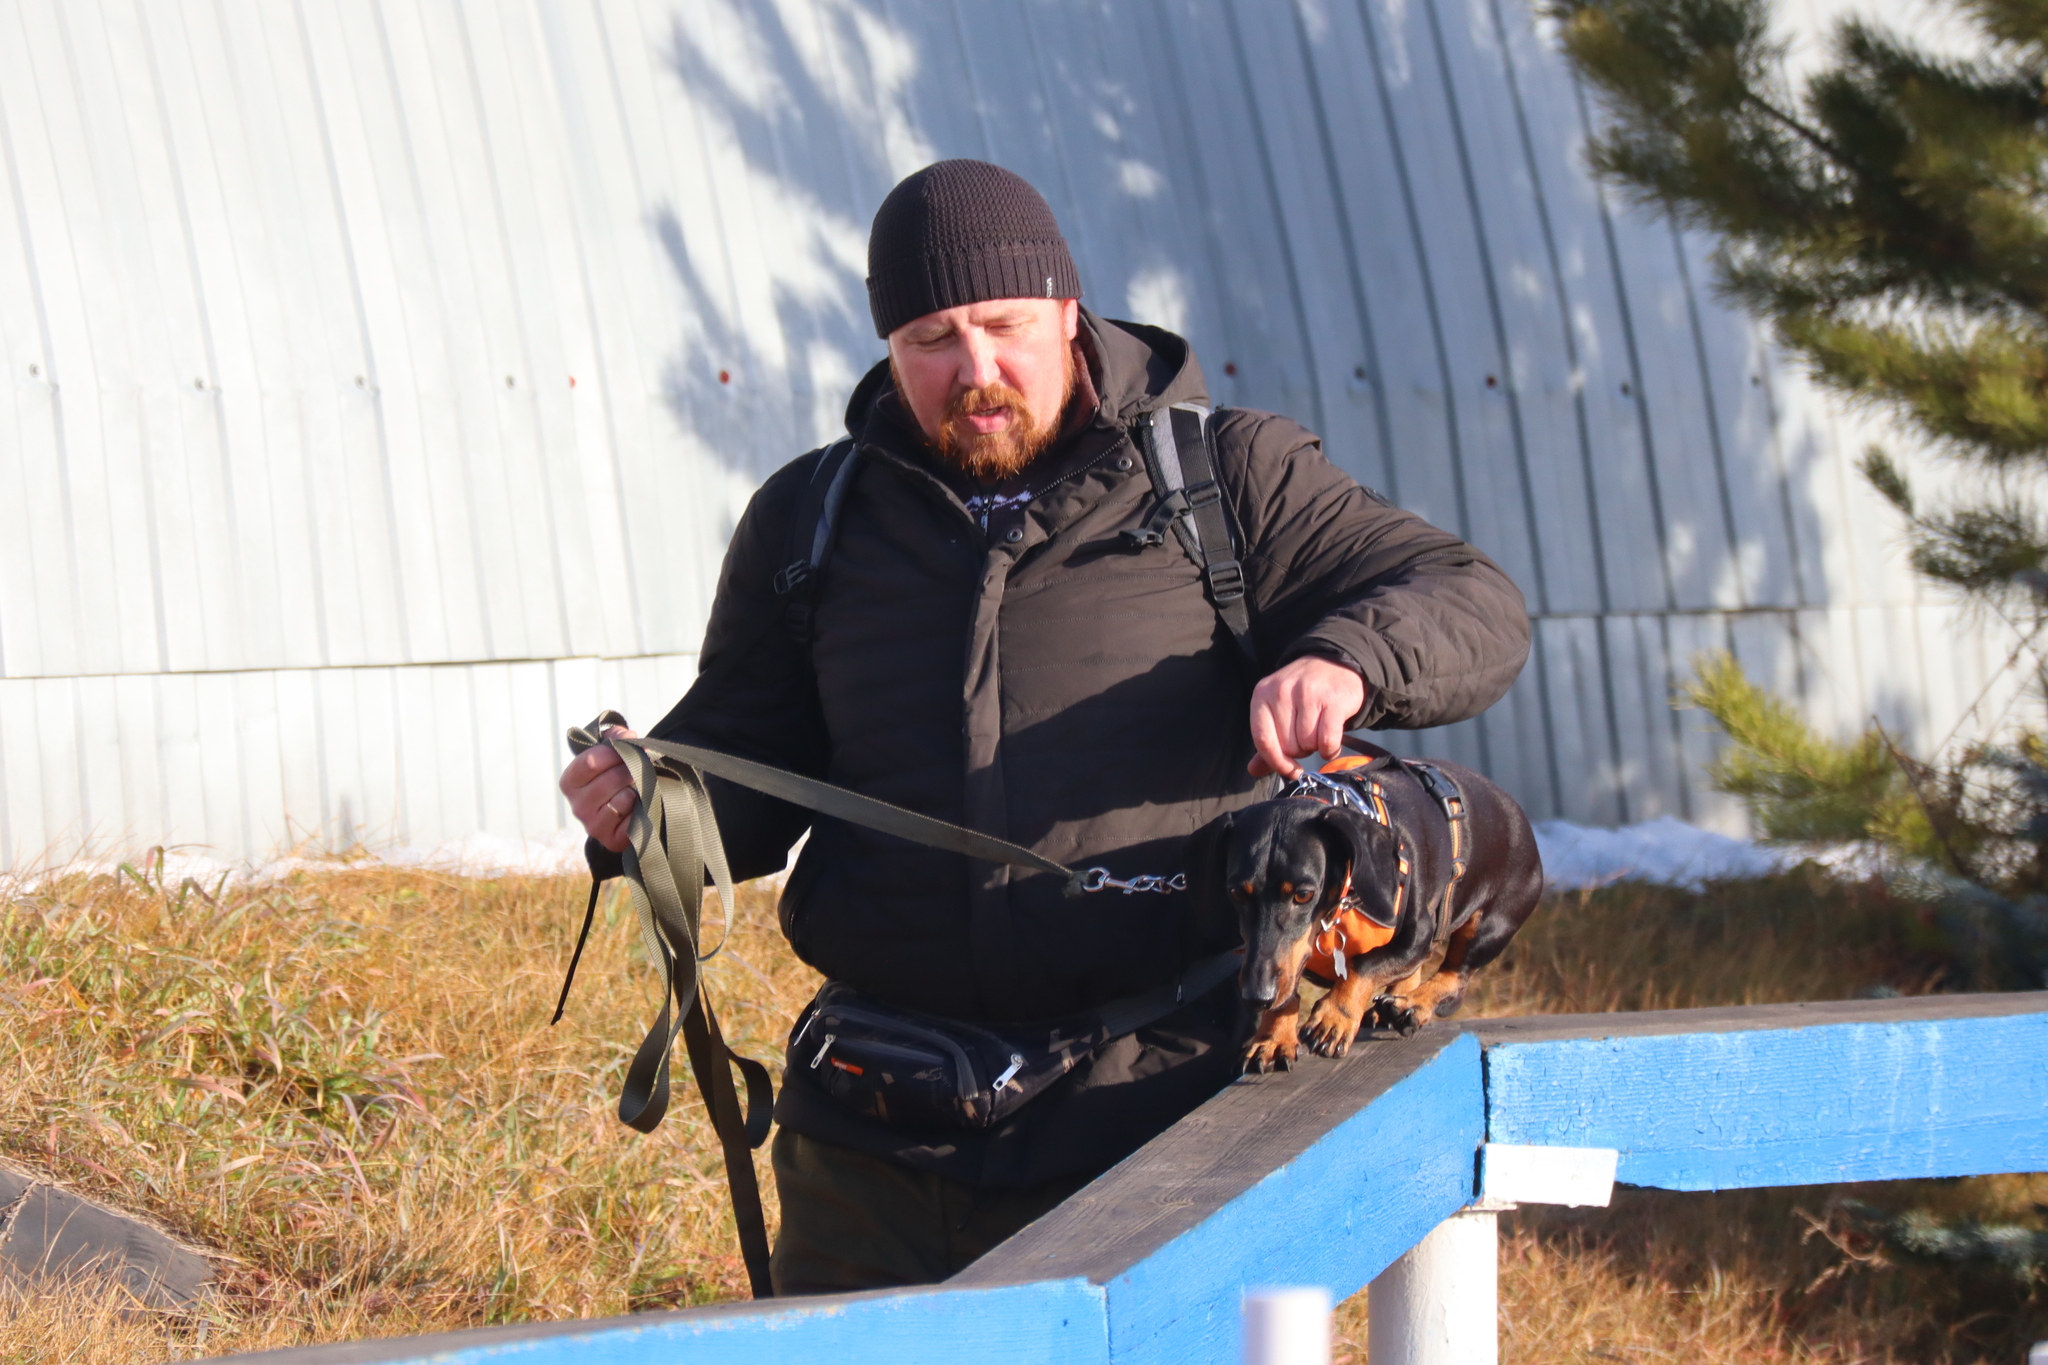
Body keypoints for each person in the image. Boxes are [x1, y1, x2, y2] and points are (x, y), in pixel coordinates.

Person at [559, 159, 1529, 1294]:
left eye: (1003, 325)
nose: (975, 372)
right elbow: (751, 762)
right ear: (886, 348)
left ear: (1069, 313)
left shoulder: (1226, 480)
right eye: (930, 338)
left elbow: (1470, 601)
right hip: (877, 1121)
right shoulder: (810, 520)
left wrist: (1344, 656)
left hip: (1159, 1115)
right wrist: (649, 805)